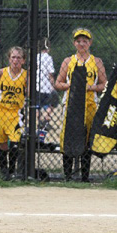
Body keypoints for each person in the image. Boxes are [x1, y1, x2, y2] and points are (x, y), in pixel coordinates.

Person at [55, 28, 107, 182]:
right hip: (71, 104)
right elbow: (58, 83)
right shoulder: (68, 61)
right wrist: (70, 85)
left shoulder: (96, 61)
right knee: (68, 136)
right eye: (78, 41)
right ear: (74, 43)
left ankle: (85, 177)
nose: (82, 43)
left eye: (85, 41)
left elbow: (104, 84)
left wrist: (91, 87)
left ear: (90, 43)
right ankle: (68, 176)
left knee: (87, 137)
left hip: (89, 103)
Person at [0, 46, 28, 180]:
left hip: (15, 113)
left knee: (15, 141)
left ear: (23, 60)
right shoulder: (2, 72)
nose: (15, 60)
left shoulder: (25, 75)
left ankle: (12, 171)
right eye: (13, 57)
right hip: (1, 111)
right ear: (9, 59)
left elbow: (28, 91)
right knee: (2, 144)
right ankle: (4, 172)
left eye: (19, 58)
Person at [36, 37, 56, 129]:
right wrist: (53, 85)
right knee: (52, 103)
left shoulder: (36, 57)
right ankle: (46, 119)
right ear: (49, 48)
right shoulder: (49, 58)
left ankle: (39, 120)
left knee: (37, 105)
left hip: (37, 84)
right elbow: (50, 73)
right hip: (46, 86)